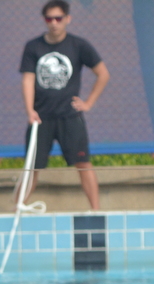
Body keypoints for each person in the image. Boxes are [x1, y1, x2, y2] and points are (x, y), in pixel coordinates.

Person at [19, 0, 109, 210]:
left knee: (83, 164)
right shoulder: (33, 47)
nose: (54, 23)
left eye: (58, 18)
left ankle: (96, 211)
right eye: (49, 19)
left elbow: (103, 74)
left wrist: (88, 103)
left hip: (70, 117)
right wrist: (30, 111)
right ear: (44, 20)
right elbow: (28, 80)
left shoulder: (78, 45)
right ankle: (17, 211)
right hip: (41, 118)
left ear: (67, 19)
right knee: (31, 168)